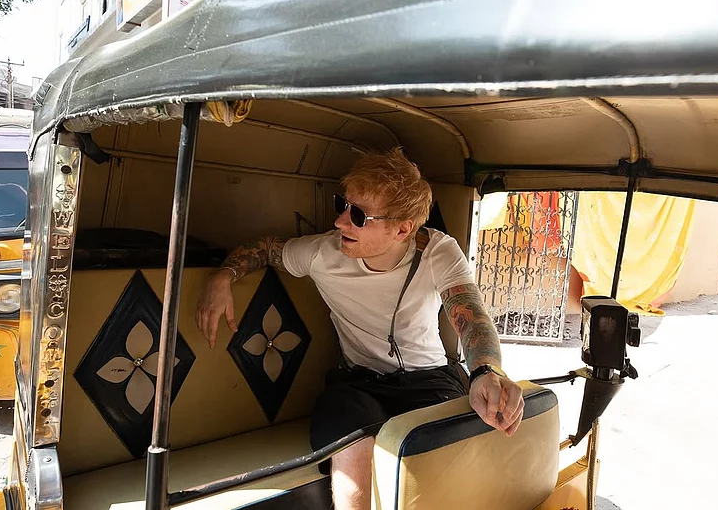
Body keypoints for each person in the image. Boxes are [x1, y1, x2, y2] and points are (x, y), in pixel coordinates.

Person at [196, 147, 524, 510]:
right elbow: (268, 249)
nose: (340, 222)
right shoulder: (324, 253)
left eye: (358, 215)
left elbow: (471, 315)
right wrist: (224, 276)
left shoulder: (438, 252)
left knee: (445, 447)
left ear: (402, 229)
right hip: (359, 384)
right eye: (343, 205)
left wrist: (486, 371)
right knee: (352, 437)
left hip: (429, 381)